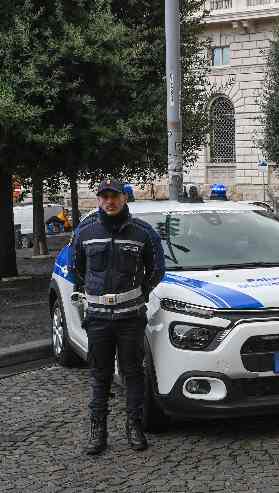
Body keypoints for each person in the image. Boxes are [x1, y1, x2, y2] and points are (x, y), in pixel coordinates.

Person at [71, 179, 165, 455]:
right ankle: (97, 431)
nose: (109, 201)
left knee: (133, 373)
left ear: (124, 199)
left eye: (114, 196)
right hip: (98, 318)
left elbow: (157, 269)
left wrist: (140, 292)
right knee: (99, 374)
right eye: (104, 197)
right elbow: (77, 268)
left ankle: (134, 427)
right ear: (99, 200)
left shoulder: (143, 233)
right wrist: (93, 292)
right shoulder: (85, 232)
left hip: (130, 317)